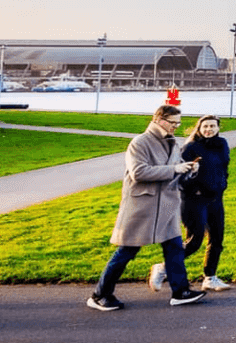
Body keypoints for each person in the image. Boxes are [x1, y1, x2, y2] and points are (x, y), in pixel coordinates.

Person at [87, 105, 208, 310]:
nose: (176, 127)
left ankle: (180, 291)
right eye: (173, 123)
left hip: (167, 206)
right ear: (159, 119)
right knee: (127, 251)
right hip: (143, 206)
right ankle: (99, 295)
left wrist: (189, 170)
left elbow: (175, 174)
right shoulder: (140, 142)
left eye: (178, 123)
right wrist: (174, 168)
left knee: (175, 249)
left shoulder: (172, 143)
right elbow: (139, 172)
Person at [154, 114, 232, 293]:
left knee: (217, 239)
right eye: (205, 126)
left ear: (218, 128)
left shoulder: (222, 144)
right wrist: (195, 187)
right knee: (194, 241)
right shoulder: (190, 147)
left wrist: (222, 184)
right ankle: (163, 267)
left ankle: (210, 278)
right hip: (194, 200)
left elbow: (224, 167)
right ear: (199, 128)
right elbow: (179, 177)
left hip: (215, 198)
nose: (209, 129)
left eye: (212, 126)